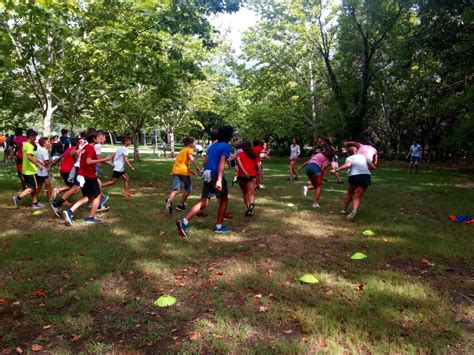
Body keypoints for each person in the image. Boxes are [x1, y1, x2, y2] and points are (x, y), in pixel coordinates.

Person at [176, 125, 234, 237]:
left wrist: (208, 173)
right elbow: (222, 163)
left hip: (207, 173)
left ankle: (184, 221)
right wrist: (219, 180)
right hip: (215, 175)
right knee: (224, 200)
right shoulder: (226, 146)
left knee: (203, 202)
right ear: (229, 135)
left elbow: (204, 162)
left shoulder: (212, 146)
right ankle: (219, 227)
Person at [62, 131, 112, 225]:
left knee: (89, 198)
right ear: (94, 139)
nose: (100, 138)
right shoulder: (90, 148)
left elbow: (88, 160)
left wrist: (108, 162)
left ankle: (70, 212)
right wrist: (105, 159)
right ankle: (90, 217)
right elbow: (89, 161)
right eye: (98, 137)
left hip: (83, 175)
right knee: (97, 196)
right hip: (89, 176)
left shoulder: (85, 147)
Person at [331, 146, 376, 221]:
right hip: (365, 176)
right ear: (357, 151)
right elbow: (373, 167)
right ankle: (354, 210)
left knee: (350, 193)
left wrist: (336, 170)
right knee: (357, 196)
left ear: (349, 153)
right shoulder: (364, 157)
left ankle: (343, 210)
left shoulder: (350, 158)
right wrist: (374, 159)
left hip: (354, 176)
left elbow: (348, 165)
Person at [165, 137, 200, 213]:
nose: (195, 144)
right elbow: (191, 157)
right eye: (194, 143)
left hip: (175, 171)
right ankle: (180, 205)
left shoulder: (182, 151)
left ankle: (169, 200)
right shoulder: (189, 149)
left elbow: (183, 164)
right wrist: (197, 167)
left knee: (176, 189)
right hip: (184, 173)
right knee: (188, 188)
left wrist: (192, 172)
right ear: (190, 144)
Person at [12, 129, 44, 209]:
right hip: (31, 171)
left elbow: (29, 156)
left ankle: (35, 203)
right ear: (31, 136)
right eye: (35, 137)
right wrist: (38, 164)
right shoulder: (29, 145)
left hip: (25, 170)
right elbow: (29, 157)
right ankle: (17, 198)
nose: (35, 139)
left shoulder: (25, 144)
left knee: (33, 187)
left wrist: (38, 160)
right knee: (33, 188)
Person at [236, 141, 258, 216]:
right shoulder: (254, 155)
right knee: (251, 193)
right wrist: (259, 176)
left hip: (241, 176)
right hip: (252, 175)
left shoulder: (239, 154)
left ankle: (249, 208)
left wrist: (244, 171)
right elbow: (257, 166)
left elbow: (238, 162)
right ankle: (251, 206)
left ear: (242, 147)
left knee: (245, 192)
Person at [36, 137, 52, 202]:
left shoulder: (40, 150)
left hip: (42, 171)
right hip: (41, 172)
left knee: (48, 184)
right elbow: (46, 163)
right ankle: (34, 200)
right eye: (48, 142)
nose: (50, 143)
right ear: (44, 144)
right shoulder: (44, 151)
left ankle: (50, 199)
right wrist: (52, 162)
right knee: (39, 187)